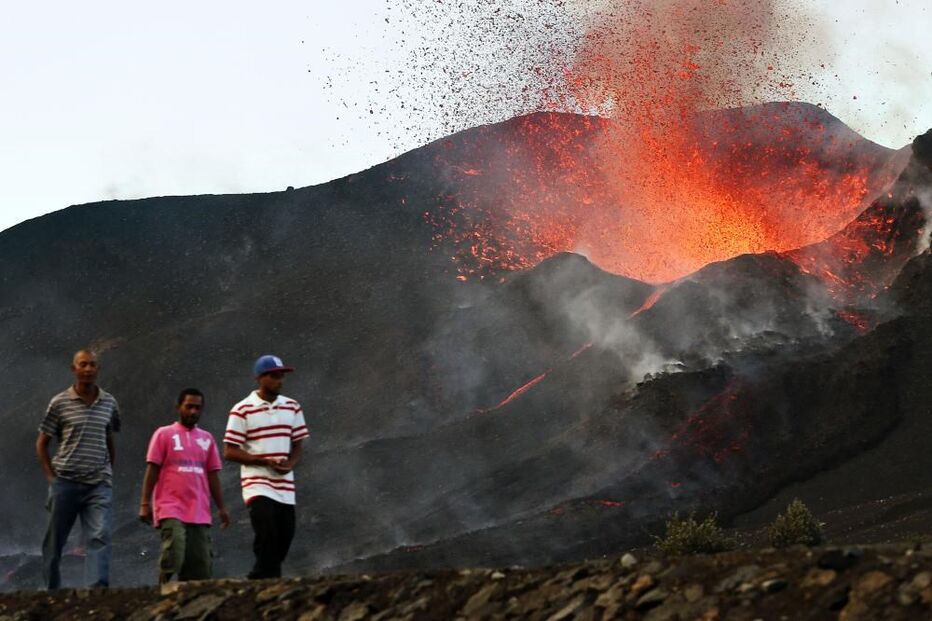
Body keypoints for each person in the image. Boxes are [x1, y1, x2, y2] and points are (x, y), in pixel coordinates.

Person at [36, 349, 120, 590]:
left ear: (98, 369)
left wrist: (107, 473)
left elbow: (110, 438)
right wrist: (52, 478)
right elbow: (42, 443)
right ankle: (52, 591)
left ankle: (97, 591)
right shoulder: (59, 402)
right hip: (66, 481)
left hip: (98, 484)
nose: (88, 369)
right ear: (74, 369)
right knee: (54, 542)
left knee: (100, 535)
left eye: (92, 365)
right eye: (83, 365)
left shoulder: (109, 402)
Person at [223, 355, 308, 579]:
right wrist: (263, 461)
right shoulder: (242, 409)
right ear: (260, 378)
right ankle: (264, 578)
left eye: (281, 376)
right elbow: (230, 451)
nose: (280, 380)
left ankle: (263, 576)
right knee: (266, 529)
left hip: (285, 483)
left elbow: (298, 444)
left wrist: (290, 463)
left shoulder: (292, 407)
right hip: (257, 482)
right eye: (274, 375)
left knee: (285, 534)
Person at [139, 388, 230, 584]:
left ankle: (188, 604)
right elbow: (152, 469)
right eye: (189, 406)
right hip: (171, 506)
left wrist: (222, 508)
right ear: (178, 407)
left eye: (197, 408)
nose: (193, 412)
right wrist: (145, 503)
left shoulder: (207, 439)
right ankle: (162, 589)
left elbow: (213, 475)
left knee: (200, 566)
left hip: (198, 510)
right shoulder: (164, 434)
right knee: (174, 551)